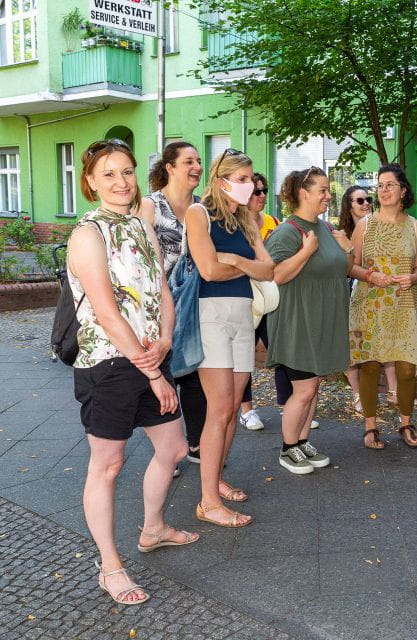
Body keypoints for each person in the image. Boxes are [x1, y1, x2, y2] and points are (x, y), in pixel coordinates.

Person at [69, 139, 197, 606]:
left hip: (148, 356)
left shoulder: (140, 227)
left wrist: (165, 338)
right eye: (109, 175)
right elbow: (105, 311)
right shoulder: (88, 234)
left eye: (126, 172)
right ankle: (109, 565)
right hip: (109, 364)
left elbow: (161, 289)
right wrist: (155, 373)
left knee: (175, 447)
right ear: (90, 182)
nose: (121, 182)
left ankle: (153, 529)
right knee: (108, 465)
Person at [186, 149, 274, 527]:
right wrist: (240, 267)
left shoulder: (246, 220)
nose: (250, 185)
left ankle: (216, 478)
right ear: (221, 181)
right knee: (219, 409)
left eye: (251, 178)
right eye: (242, 179)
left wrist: (236, 262)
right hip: (212, 317)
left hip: (243, 318)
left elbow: (267, 269)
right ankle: (208, 502)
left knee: (234, 406)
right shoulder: (198, 214)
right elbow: (207, 269)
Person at [266, 167, 356, 473]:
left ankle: (302, 443)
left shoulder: (326, 229)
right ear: (303, 193)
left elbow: (341, 269)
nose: (328, 196)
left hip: (322, 321)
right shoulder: (288, 232)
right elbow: (275, 275)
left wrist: (349, 249)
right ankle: (288, 448)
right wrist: (304, 252)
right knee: (303, 390)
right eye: (322, 190)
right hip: (298, 323)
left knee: (313, 387)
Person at [348, 164, 417, 449]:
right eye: (380, 185)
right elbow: (350, 265)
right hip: (369, 303)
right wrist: (370, 275)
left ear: (403, 190)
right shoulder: (364, 225)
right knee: (370, 365)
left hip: (404, 303)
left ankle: (406, 422)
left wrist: (414, 276)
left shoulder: (414, 226)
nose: (383, 190)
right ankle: (370, 427)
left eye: (389, 185)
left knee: (406, 368)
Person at [139, 142, 206, 471]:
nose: (196, 166)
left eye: (199, 161)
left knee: (193, 374)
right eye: (188, 161)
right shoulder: (151, 206)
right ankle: (167, 450)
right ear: (170, 167)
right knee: (164, 374)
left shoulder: (202, 207)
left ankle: (195, 443)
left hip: (193, 302)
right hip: (159, 305)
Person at [238, 172, 284, 431]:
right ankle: (246, 409)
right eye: (256, 191)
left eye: (264, 190)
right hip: (246, 297)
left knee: (280, 352)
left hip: (269, 296)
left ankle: (291, 407)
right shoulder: (236, 224)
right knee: (244, 355)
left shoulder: (273, 222)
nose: (262, 195)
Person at [338, 185, 374, 415]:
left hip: (373, 291)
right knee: (351, 344)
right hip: (349, 292)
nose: (366, 203)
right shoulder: (341, 233)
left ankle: (393, 392)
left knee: (373, 343)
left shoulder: (378, 226)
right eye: (360, 201)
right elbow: (344, 267)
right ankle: (357, 394)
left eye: (368, 199)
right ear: (348, 205)